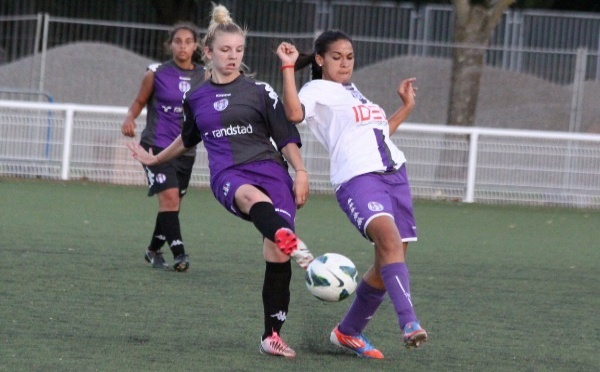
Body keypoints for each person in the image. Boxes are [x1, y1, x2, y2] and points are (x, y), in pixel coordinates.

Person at [127, 4, 313, 358]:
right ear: (207, 52)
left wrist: (301, 172)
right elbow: (187, 139)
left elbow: (286, 137)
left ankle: (271, 335)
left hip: (272, 171)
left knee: (275, 254)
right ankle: (291, 240)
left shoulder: (259, 91)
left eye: (238, 50)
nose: (232, 56)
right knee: (249, 199)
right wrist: (156, 157)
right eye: (225, 50)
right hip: (229, 173)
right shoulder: (195, 97)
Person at [276, 30, 428, 358]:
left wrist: (406, 107)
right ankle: (409, 323)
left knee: (390, 260)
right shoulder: (315, 89)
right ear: (319, 59)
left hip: (394, 175)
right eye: (336, 57)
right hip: (358, 179)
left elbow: (378, 134)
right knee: (389, 244)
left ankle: (348, 332)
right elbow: (293, 113)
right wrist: (288, 68)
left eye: (350, 57)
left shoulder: (353, 92)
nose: (345, 64)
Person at [121, 23, 206, 272]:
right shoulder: (156, 73)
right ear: (170, 45)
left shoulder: (204, 75)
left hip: (185, 149)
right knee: (169, 199)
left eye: (187, 41)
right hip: (155, 147)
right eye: (177, 41)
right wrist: (129, 118)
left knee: (173, 204)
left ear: (196, 46)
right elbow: (139, 101)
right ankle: (179, 254)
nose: (182, 46)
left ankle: (153, 250)